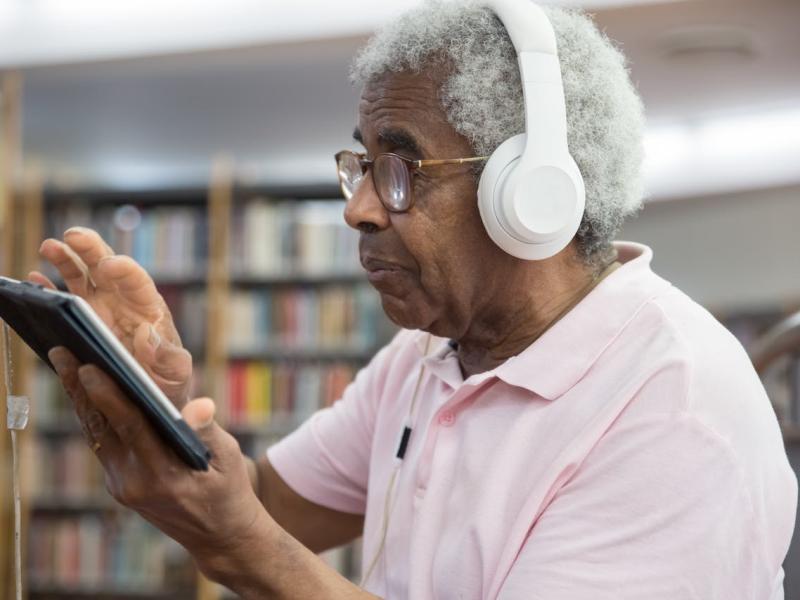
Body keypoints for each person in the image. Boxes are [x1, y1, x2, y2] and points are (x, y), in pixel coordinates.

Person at [34, 1, 797, 598]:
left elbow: (253, 538)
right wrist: (152, 406)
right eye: (361, 165)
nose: (359, 207)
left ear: (531, 194)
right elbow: (269, 509)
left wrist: (243, 545)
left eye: (402, 168)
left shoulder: (675, 409)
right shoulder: (427, 356)